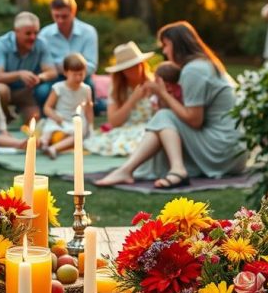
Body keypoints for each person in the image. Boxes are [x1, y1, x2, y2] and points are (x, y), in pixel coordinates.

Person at [95, 22, 247, 189]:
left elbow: (194, 120)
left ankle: (176, 170)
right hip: (234, 150)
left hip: (223, 149)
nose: (165, 51)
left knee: (163, 116)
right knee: (165, 118)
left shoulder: (194, 70)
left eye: (165, 45)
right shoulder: (204, 65)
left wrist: (163, 94)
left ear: (177, 44)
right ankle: (127, 170)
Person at [85, 42, 154, 158]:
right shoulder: (117, 88)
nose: (134, 71)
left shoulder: (153, 83)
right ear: (122, 71)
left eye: (136, 66)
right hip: (127, 130)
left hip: (149, 129)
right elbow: (114, 122)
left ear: (142, 65)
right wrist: (133, 100)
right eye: (128, 68)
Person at [0, 12, 57, 122]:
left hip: (26, 92)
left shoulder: (41, 44)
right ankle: (5, 116)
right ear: (16, 32)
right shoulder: (1, 44)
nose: (33, 37)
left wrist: (39, 78)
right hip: (4, 90)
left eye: (36, 33)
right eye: (28, 33)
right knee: (0, 90)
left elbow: (52, 72)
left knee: (34, 121)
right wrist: (19, 75)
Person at [36, 0, 98, 106]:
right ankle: (47, 119)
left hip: (81, 76)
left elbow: (92, 65)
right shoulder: (45, 34)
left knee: (90, 89)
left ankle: (93, 110)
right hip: (55, 77)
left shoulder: (88, 32)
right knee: (42, 92)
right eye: (56, 16)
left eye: (64, 16)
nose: (60, 20)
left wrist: (73, 71)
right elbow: (43, 65)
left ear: (73, 12)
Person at [39, 53, 94, 159]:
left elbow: (88, 109)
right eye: (75, 74)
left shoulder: (86, 89)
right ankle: (43, 143)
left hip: (75, 122)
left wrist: (90, 127)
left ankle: (54, 149)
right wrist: (55, 117)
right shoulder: (58, 88)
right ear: (66, 73)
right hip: (59, 119)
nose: (78, 78)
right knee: (49, 130)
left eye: (81, 74)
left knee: (78, 136)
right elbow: (47, 107)